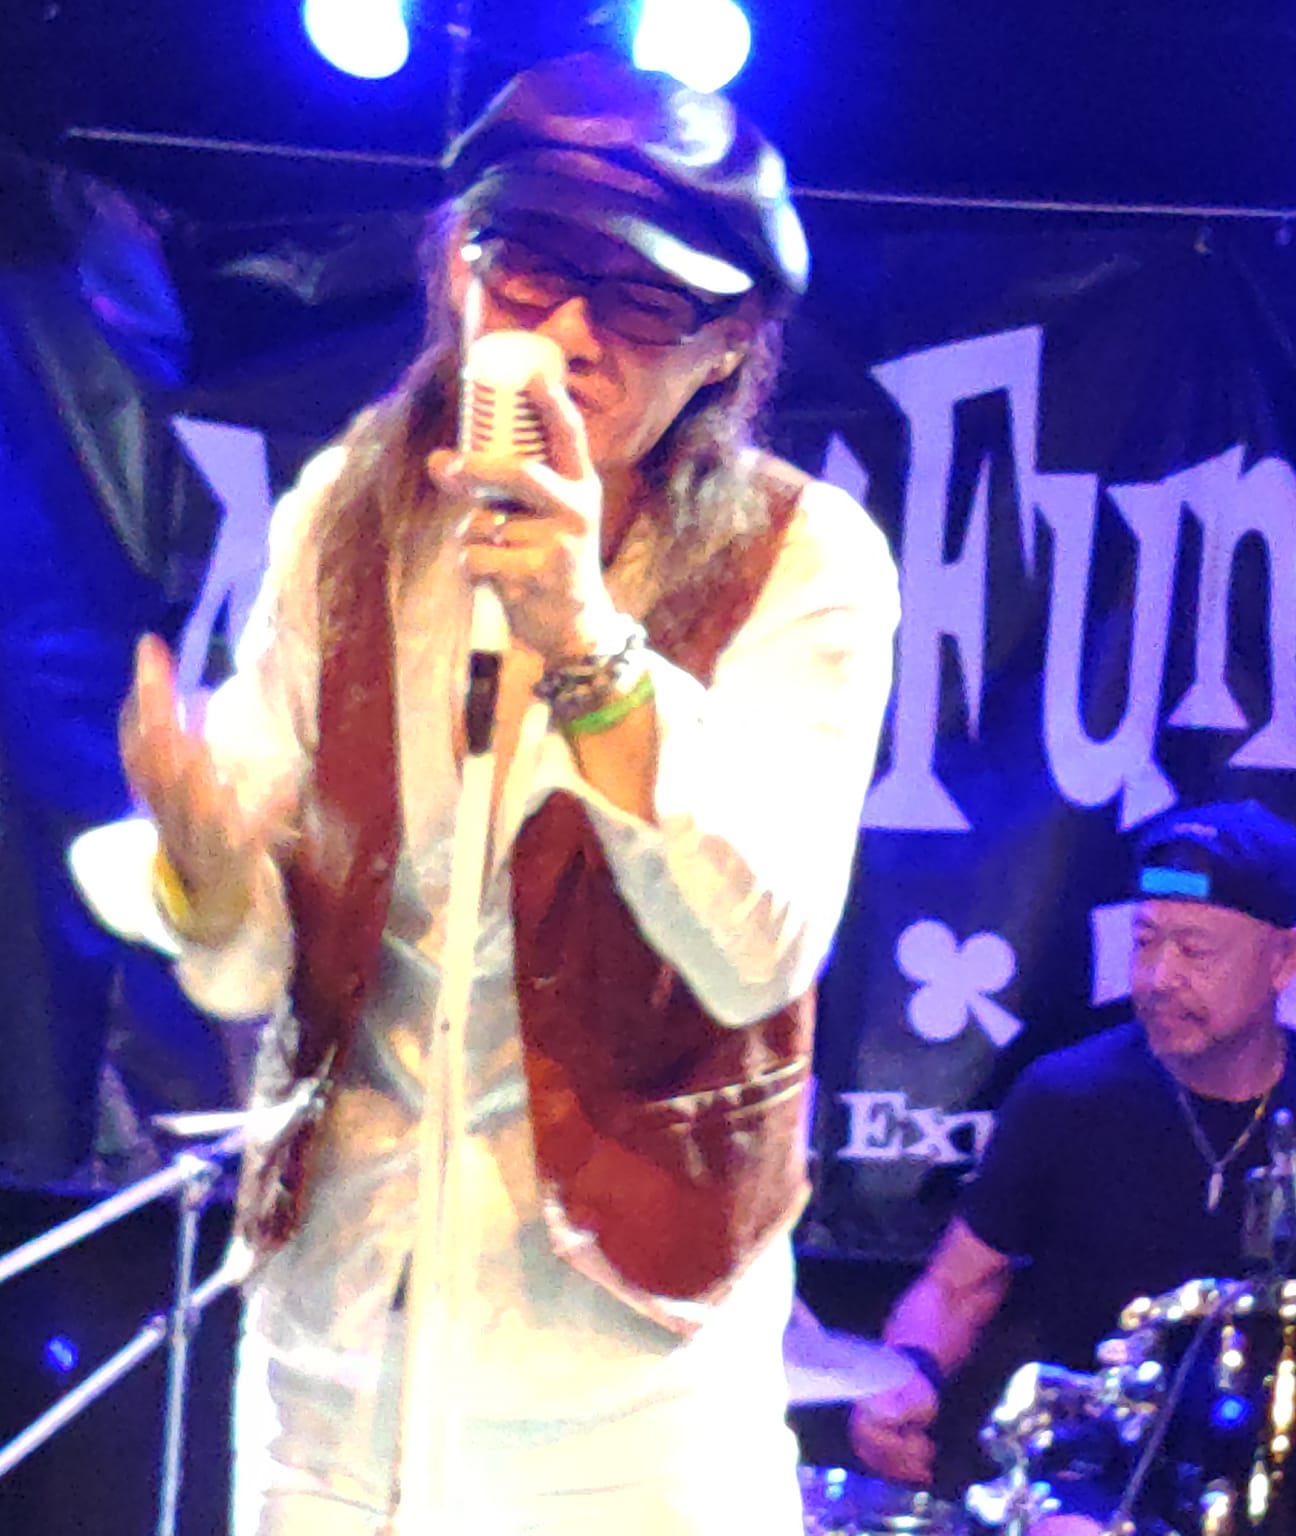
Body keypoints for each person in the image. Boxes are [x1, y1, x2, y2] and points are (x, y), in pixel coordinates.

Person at [103, 52, 898, 1536]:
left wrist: (588, 644)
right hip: (335, 1360)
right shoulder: (349, 510)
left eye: (643, 302)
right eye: (533, 265)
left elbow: (759, 949)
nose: (571, 334)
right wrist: (206, 867)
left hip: (626, 1398)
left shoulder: (806, 559)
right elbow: (255, 959)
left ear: (724, 347)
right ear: (459, 265)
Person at [850, 801, 1296, 1507]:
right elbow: (959, 1286)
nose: (1157, 977)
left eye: (1195, 951)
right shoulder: (1068, 1095)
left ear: (1284, 960)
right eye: (1145, 942)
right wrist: (907, 1371)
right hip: (1102, 1476)